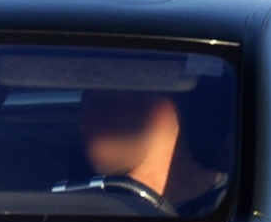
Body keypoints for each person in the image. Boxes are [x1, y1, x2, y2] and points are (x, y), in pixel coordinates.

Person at [74, 89, 230, 210]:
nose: (83, 126)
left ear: (160, 112)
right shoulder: (88, 209)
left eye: (102, 107)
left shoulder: (235, 208)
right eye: (84, 112)